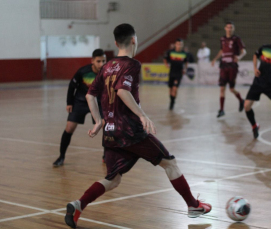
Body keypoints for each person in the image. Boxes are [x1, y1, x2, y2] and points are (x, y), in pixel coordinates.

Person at [64, 24, 211, 228]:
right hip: (131, 131)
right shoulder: (132, 64)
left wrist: (99, 121)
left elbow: (90, 94)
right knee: (170, 163)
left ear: (116, 43)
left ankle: (78, 205)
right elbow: (123, 91)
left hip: (110, 133)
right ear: (134, 40)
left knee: (113, 179)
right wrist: (142, 115)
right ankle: (193, 205)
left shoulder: (107, 66)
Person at [53, 49, 106, 167]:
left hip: (97, 103)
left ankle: (106, 156)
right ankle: (61, 157)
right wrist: (69, 103)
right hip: (80, 102)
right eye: (98, 61)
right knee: (69, 128)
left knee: (106, 127)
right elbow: (72, 87)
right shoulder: (83, 71)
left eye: (103, 61)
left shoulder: (107, 73)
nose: (101, 64)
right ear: (92, 61)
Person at [211, 21, 247, 118]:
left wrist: (239, 57)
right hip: (223, 65)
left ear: (233, 29)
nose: (229, 29)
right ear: (225, 28)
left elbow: (244, 52)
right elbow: (222, 50)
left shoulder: (236, 39)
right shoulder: (222, 39)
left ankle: (241, 100)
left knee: (231, 89)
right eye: (228, 27)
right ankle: (221, 110)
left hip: (232, 66)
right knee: (222, 88)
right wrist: (215, 59)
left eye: (231, 27)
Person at [164, 38, 188, 110]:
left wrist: (185, 69)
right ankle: (171, 101)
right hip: (171, 72)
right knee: (171, 88)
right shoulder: (170, 52)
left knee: (175, 88)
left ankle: (172, 102)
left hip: (178, 73)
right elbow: (165, 58)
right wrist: (166, 64)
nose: (179, 46)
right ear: (175, 45)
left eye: (180, 44)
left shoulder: (184, 54)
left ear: (182, 45)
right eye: (178, 44)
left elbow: (186, 62)